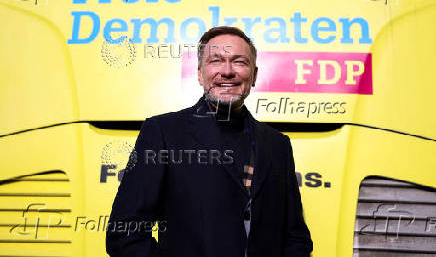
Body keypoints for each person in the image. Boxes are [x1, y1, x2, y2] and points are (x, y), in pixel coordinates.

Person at [106, 26, 313, 257]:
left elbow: (296, 238)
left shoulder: (278, 145)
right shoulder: (163, 133)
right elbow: (125, 235)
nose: (227, 71)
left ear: (254, 75)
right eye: (216, 61)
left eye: (239, 62)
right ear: (199, 73)